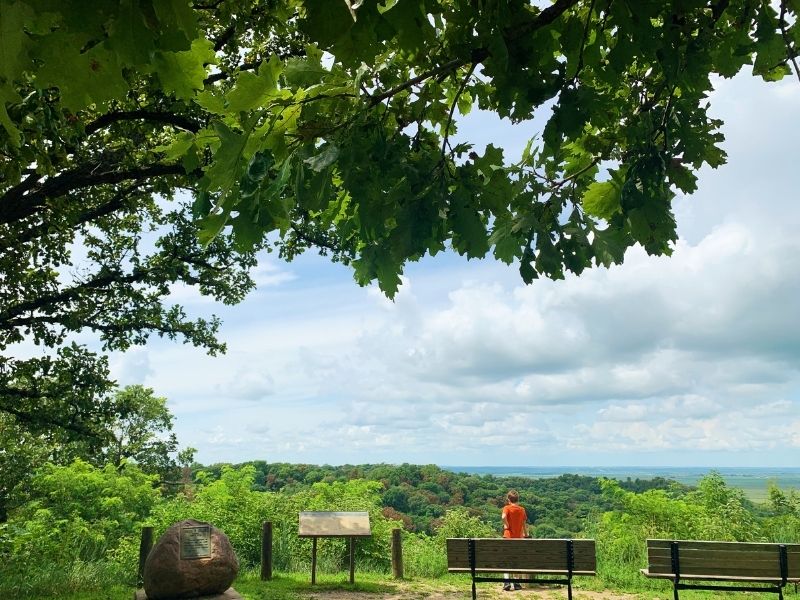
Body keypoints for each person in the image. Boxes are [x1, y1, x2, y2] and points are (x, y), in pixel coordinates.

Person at [502, 489, 528, 591]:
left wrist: (506, 524)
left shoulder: (506, 508)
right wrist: (526, 535)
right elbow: (524, 525)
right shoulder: (522, 510)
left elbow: (503, 517)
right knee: (516, 560)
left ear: (509, 499)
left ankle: (506, 582)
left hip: (508, 537)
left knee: (506, 559)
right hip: (519, 538)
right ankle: (517, 583)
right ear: (518, 499)